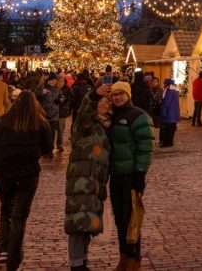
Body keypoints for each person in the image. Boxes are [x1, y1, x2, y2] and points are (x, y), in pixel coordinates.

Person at [0, 90, 53, 270]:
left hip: (4, 173)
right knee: (19, 217)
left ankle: (4, 250)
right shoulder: (40, 123)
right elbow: (47, 148)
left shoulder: (2, 121)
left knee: (6, 211)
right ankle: (13, 260)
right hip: (28, 175)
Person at [106, 80, 154, 270]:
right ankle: (124, 256)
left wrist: (140, 173)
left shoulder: (138, 116)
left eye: (121, 94)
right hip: (116, 175)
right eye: (115, 94)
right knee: (120, 218)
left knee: (132, 218)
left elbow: (146, 147)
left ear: (128, 95)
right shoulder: (113, 116)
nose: (117, 97)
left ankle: (134, 259)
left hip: (131, 175)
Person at [65, 83, 112, 271]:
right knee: (78, 222)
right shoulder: (86, 124)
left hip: (96, 181)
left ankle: (82, 260)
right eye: (101, 101)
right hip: (81, 179)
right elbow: (84, 112)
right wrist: (93, 96)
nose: (104, 104)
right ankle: (76, 264)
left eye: (107, 102)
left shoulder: (106, 124)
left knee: (87, 222)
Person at [36, 73, 62, 155]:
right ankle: (43, 149)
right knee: (43, 133)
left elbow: (62, 97)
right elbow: (36, 95)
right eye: (53, 80)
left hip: (54, 115)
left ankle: (50, 150)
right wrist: (41, 93)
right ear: (49, 80)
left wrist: (60, 100)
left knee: (52, 133)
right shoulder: (43, 87)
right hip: (44, 114)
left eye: (55, 81)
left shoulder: (58, 89)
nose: (54, 82)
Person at [158, 78, 180, 147]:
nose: (163, 85)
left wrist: (163, 113)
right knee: (172, 128)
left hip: (169, 114)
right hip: (173, 113)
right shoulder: (174, 90)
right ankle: (170, 142)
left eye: (164, 83)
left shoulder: (169, 91)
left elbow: (166, 103)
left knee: (167, 129)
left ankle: (166, 142)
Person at [56, 75, 72, 153]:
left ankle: (60, 145)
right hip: (53, 112)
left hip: (62, 112)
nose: (61, 83)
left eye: (62, 81)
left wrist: (66, 103)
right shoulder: (54, 89)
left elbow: (70, 98)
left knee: (60, 130)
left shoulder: (67, 89)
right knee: (51, 131)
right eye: (59, 81)